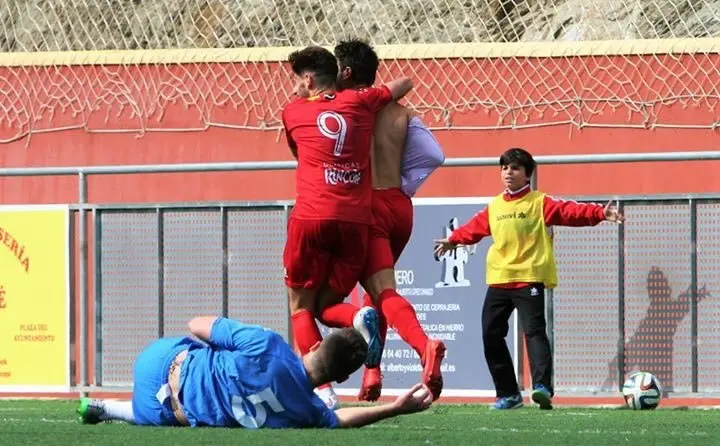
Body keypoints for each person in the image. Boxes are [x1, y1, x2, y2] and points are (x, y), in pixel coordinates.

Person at [433, 148, 625, 410]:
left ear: (527, 175)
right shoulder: (495, 206)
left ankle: (542, 387)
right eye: (504, 168)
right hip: (499, 279)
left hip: (529, 278)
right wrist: (453, 240)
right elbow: (473, 229)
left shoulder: (539, 202)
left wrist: (600, 214)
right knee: (491, 335)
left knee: (534, 333)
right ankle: (508, 394)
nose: (508, 173)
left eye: (514, 168)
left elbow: (570, 212)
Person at [314, 38, 447, 403]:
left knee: (372, 294)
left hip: (365, 206)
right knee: (377, 290)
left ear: (345, 72)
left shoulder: (345, 108)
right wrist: (404, 184)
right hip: (400, 206)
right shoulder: (402, 112)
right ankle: (372, 375)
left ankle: (424, 346)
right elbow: (435, 154)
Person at [281, 45, 413, 407]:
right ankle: (357, 314)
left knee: (300, 306)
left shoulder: (293, 111)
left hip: (311, 217)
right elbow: (404, 83)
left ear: (308, 79)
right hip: (355, 221)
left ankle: (322, 388)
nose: (292, 88)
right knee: (328, 305)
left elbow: (299, 152)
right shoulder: (361, 102)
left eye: (296, 80)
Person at [77, 316, 434, 428]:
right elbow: (339, 421)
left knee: (200, 348)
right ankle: (108, 408)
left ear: (312, 346)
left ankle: (104, 405)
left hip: (155, 362)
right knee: (173, 413)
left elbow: (196, 324)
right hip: (158, 415)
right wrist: (394, 408)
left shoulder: (268, 344)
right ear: (338, 380)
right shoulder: (307, 412)